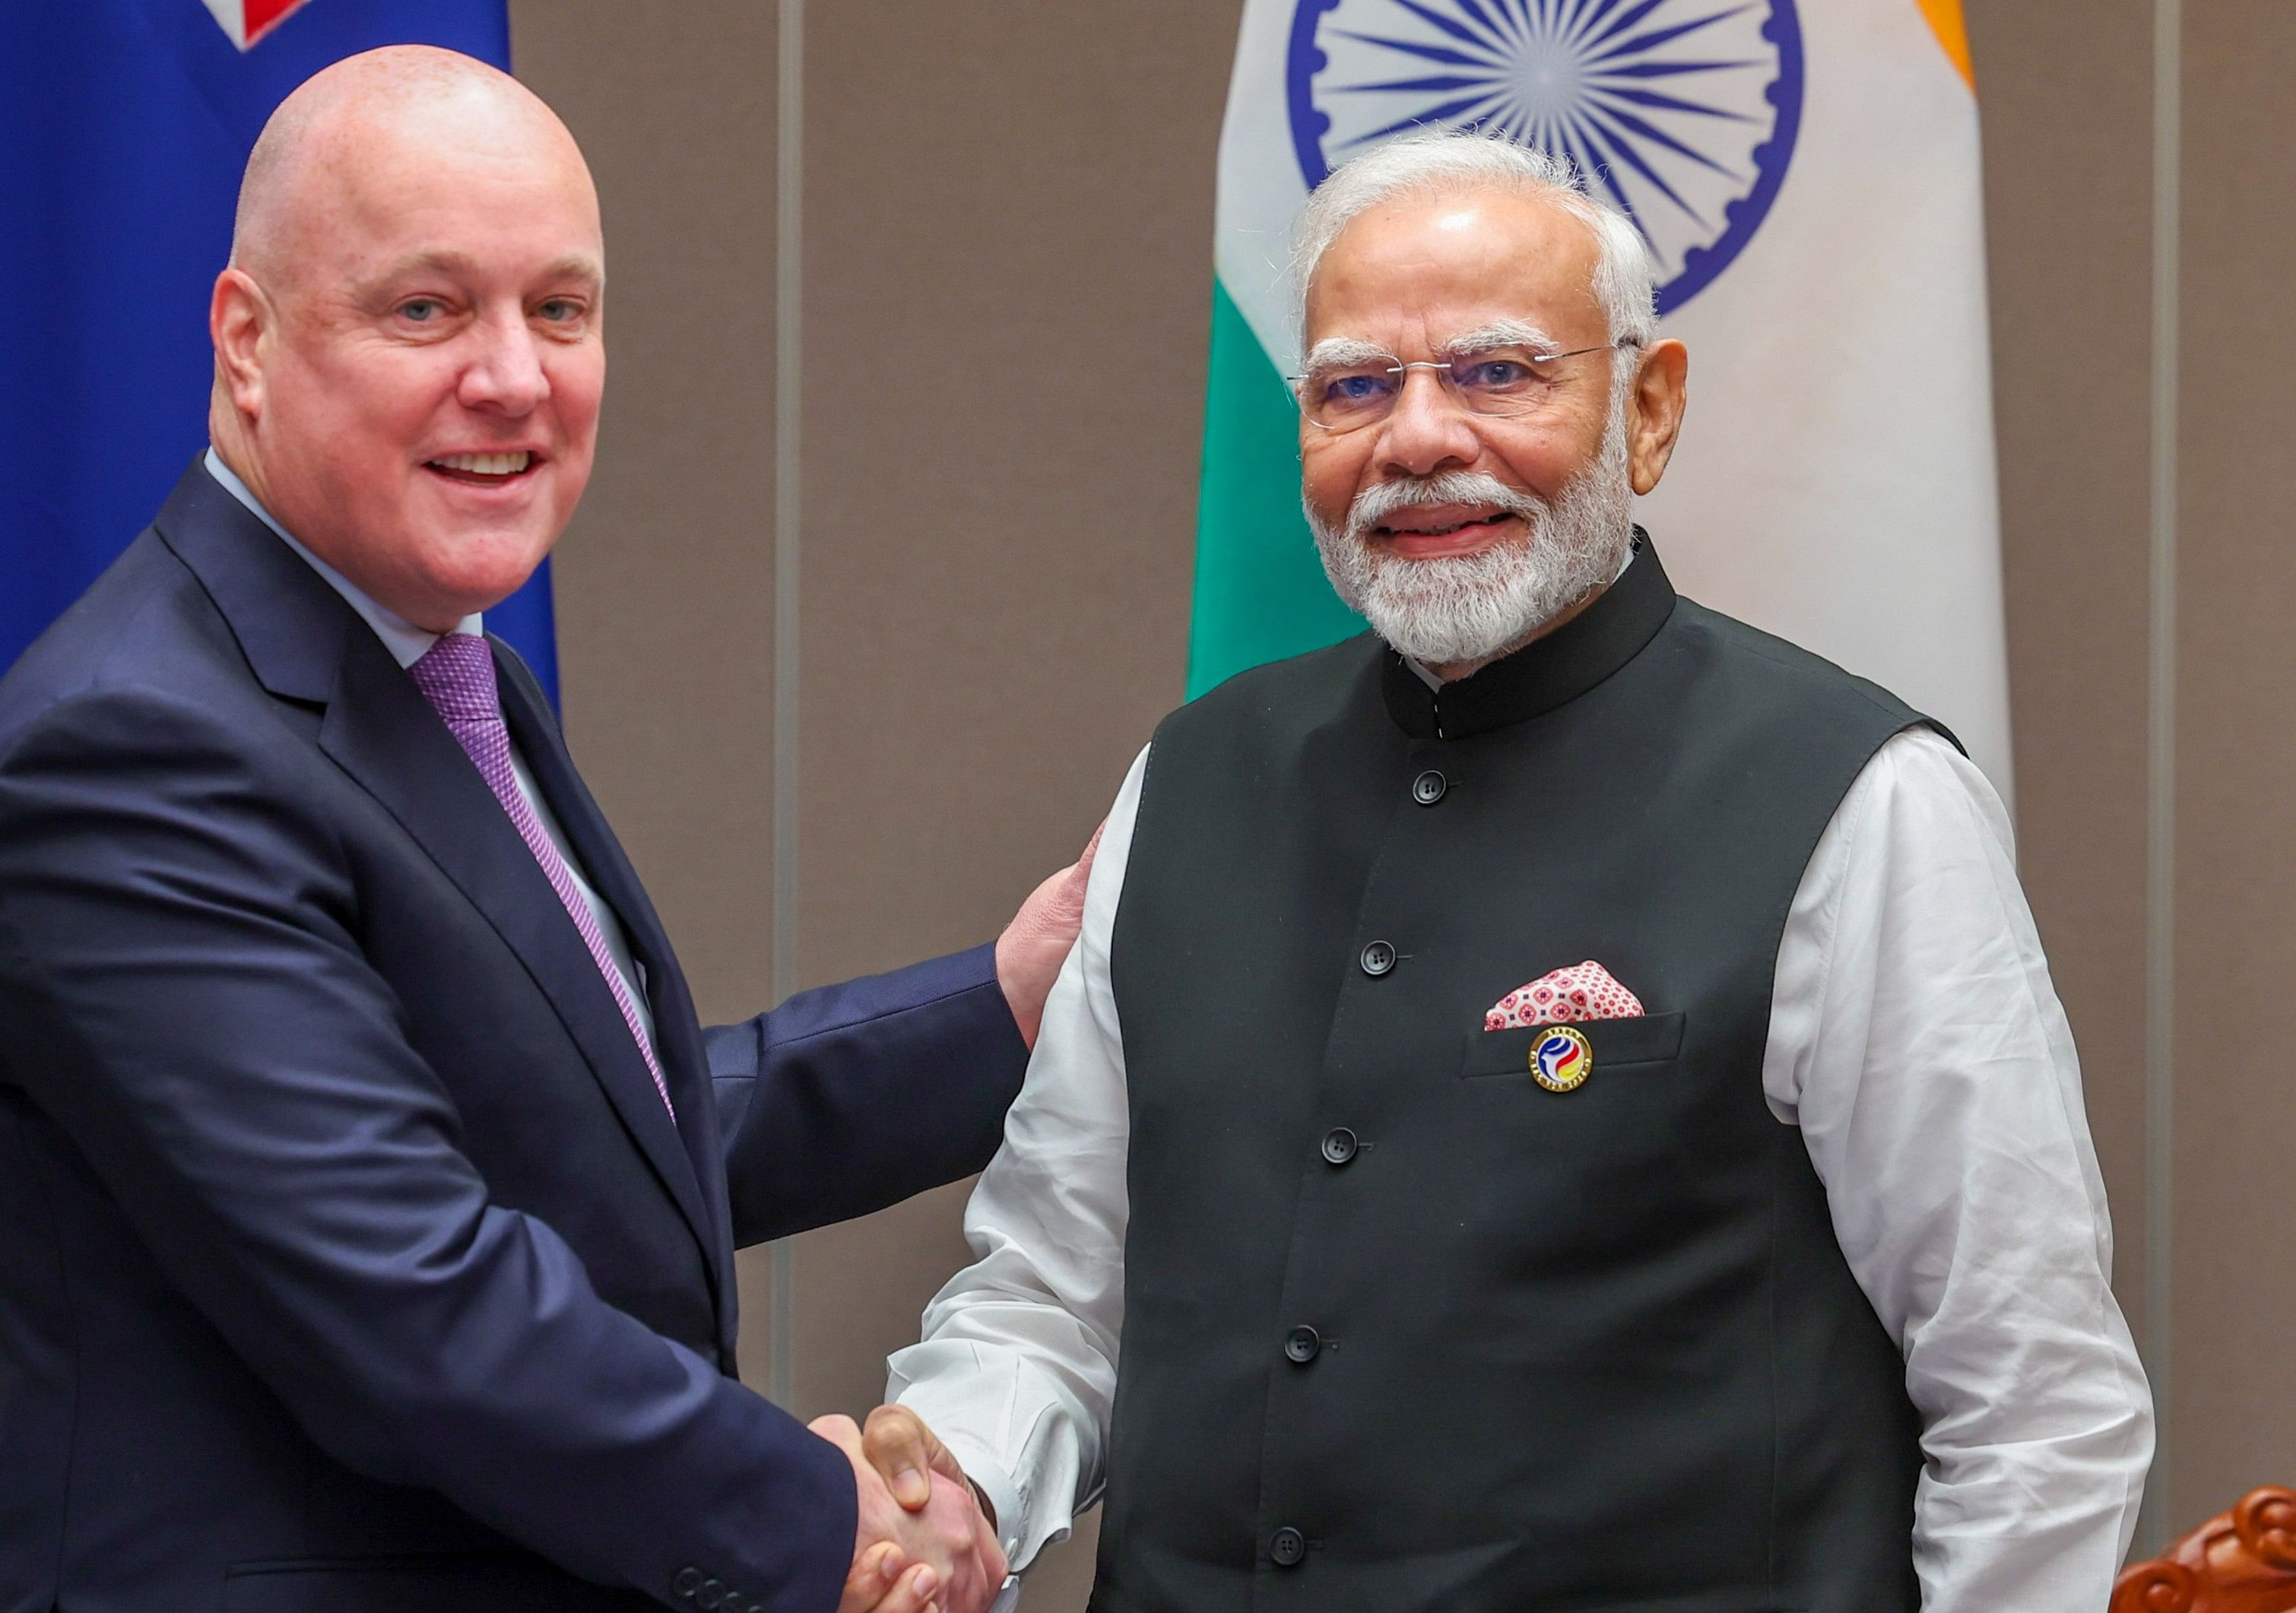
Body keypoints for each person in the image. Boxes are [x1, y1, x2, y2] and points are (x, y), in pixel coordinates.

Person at [862, 132, 2155, 1611]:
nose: (1415, 438)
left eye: (1495, 371)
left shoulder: (1858, 804)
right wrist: (945, 1478)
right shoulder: (1190, 779)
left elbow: (2035, 1409)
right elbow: (1050, 1296)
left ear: (1647, 410)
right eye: (1352, 384)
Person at [0, 47, 1055, 1613]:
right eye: (426, 309)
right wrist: (826, 1523)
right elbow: (421, 1297)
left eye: (561, 309)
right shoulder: (131, 753)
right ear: (246, 342)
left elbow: (577, 1134)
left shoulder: (439, 666)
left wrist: (1002, 1008)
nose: (515, 377)